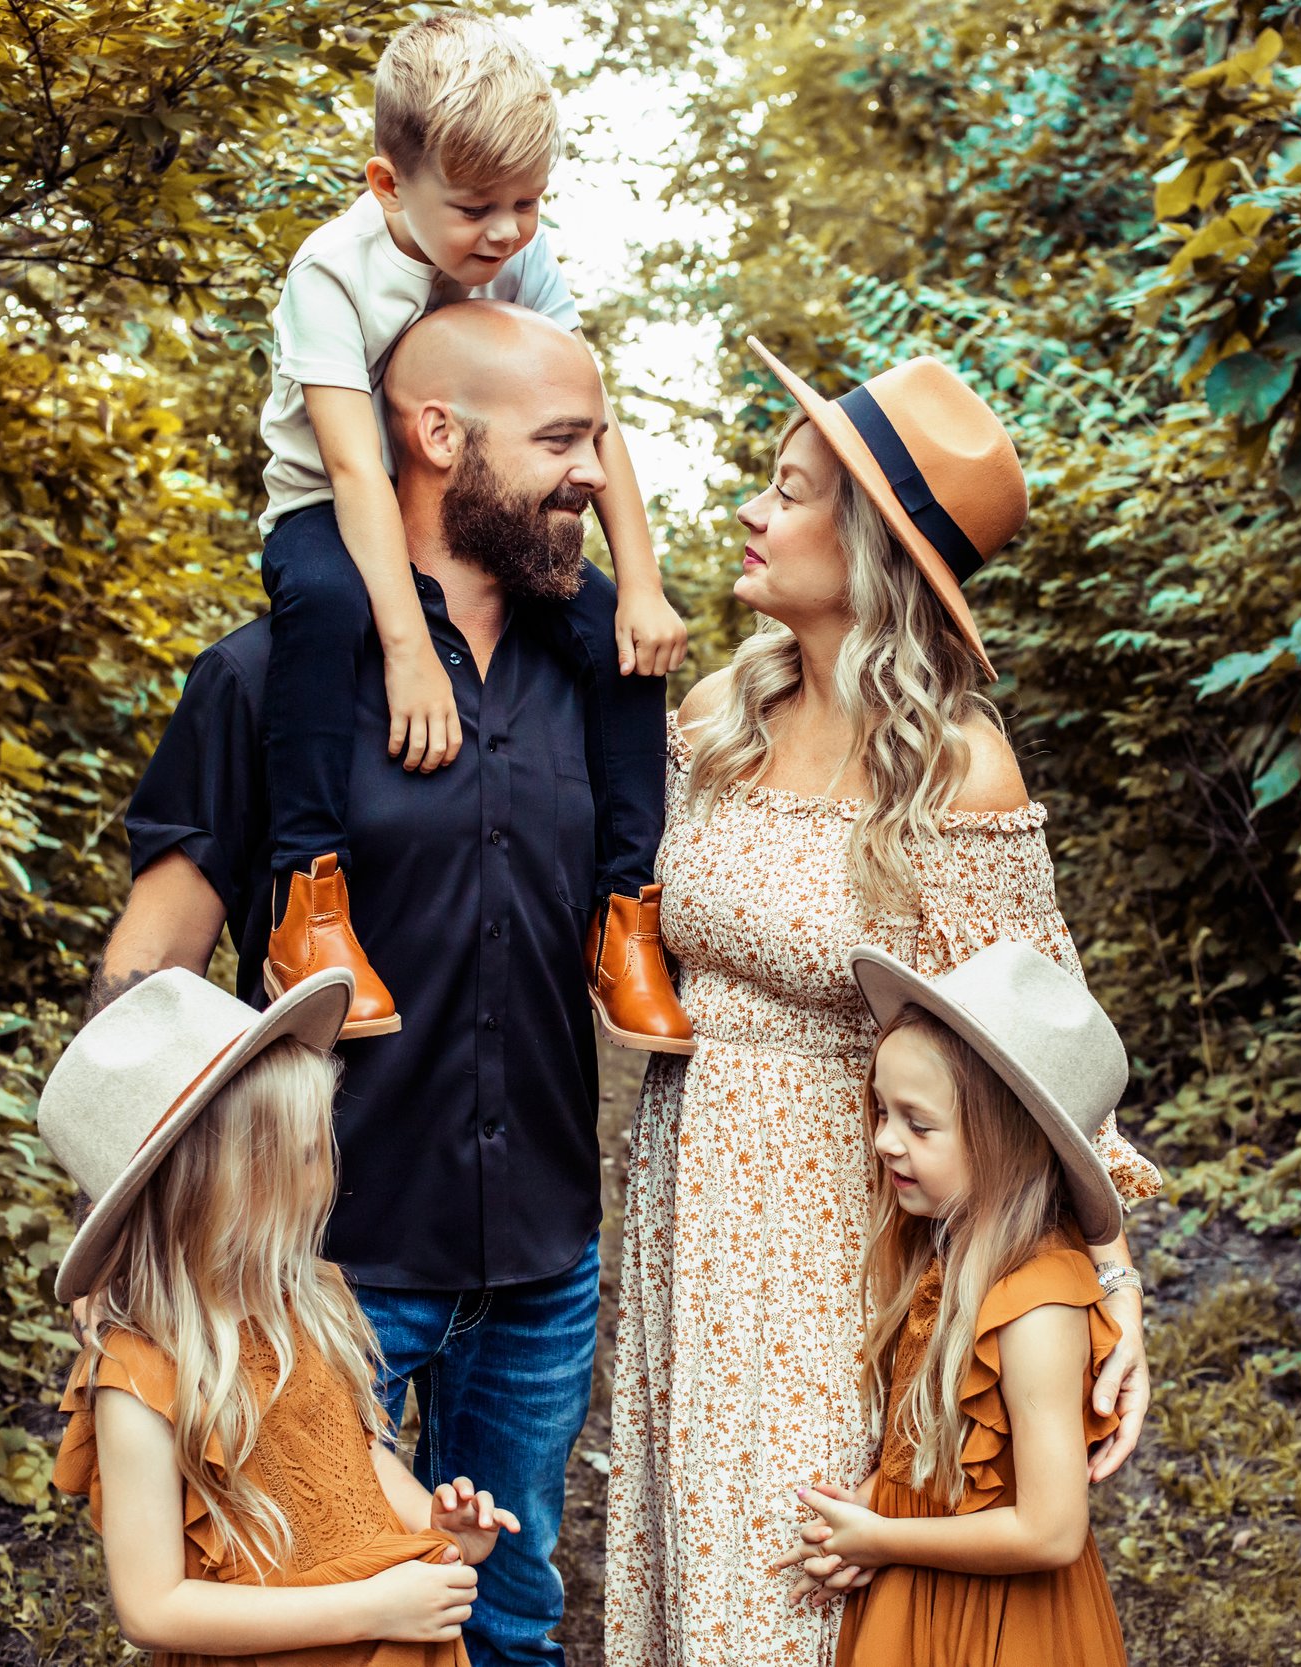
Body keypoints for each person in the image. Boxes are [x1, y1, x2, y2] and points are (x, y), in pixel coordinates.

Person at [603, 338, 1162, 1666]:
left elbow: (1043, 1037)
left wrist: (1110, 1278)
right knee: (694, 1544)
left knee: (804, 1565)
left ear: (876, 548)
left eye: (790, 491)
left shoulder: (953, 764)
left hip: (848, 1217)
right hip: (687, 1189)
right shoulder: (721, 713)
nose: (751, 508)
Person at [98, 302, 626, 1666]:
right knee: (325, 1620)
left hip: (544, 1255)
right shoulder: (270, 677)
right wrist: (130, 1222)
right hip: (321, 1271)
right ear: (438, 436)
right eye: (563, 439)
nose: (593, 473)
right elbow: (150, 964)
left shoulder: (602, 688)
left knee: (511, 1606)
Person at [253, 9, 691, 1055]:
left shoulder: (520, 263)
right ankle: (308, 905)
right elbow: (357, 464)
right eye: (477, 209)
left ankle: (626, 914)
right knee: (323, 600)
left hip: (468, 504)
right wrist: (408, 650)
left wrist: (641, 582)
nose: (504, 234)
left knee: (614, 639)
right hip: (332, 499)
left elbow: (592, 417)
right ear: (387, 185)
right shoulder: (332, 272)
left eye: (528, 204)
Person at [39, 965, 523, 1666]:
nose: (327, 1170)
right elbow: (153, 1607)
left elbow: (353, 1457)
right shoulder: (138, 1377)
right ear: (216, 1189)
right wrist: (371, 1606)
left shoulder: (302, 1302)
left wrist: (437, 1527)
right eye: (303, 1153)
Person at [772, 941, 1132, 1667]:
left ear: (1007, 1139)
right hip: (923, 1595)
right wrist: (866, 1507)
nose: (882, 1141)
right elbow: (928, 1446)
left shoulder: (1036, 1305)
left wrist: (880, 1539)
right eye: (880, 1110)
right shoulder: (948, 1262)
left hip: (1004, 1623)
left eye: (917, 1122)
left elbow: (1052, 1531)